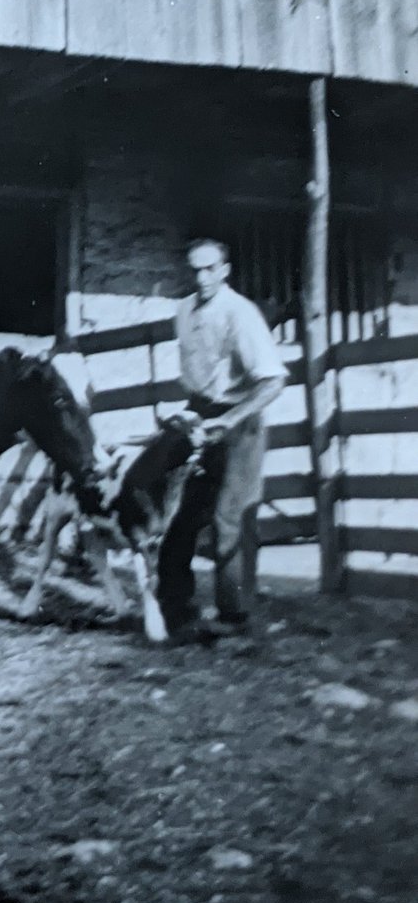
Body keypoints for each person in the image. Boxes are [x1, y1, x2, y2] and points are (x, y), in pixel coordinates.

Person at [157, 238, 287, 638]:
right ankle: (175, 609)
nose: (202, 277)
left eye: (210, 269)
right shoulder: (184, 310)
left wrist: (230, 420)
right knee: (180, 512)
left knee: (229, 517)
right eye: (195, 269)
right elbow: (199, 376)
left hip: (239, 422)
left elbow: (273, 380)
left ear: (225, 270)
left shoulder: (240, 313)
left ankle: (235, 615)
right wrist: (193, 414)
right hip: (200, 416)